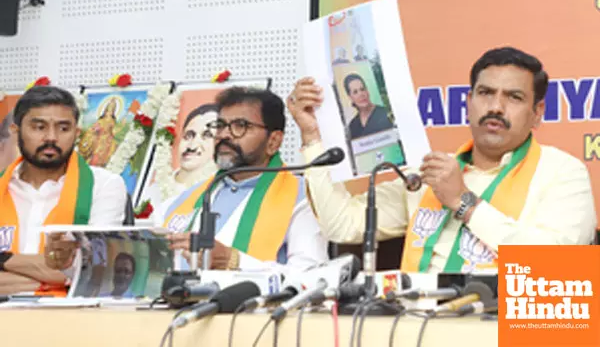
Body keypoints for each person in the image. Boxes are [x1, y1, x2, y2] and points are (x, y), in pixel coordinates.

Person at [287, 47, 597, 274]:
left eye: (514, 97)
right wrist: (313, 137)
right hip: (414, 325)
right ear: (468, 103)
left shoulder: (561, 172)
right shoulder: (431, 173)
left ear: (538, 112)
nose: (496, 107)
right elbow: (341, 224)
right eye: (485, 93)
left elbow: (557, 267)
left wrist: (464, 202)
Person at [155, 87, 328, 273]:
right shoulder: (186, 198)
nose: (224, 135)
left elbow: (310, 275)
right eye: (220, 125)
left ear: (274, 141)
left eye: (240, 126)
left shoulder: (303, 198)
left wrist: (233, 260)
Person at [0, 86, 127, 295]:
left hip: (69, 318)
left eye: (63, 128)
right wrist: (54, 280)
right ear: (16, 131)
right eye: (39, 127)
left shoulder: (104, 185)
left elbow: (94, 270)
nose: (51, 137)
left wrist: (4, 259)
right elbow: (69, 273)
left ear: (77, 133)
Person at [142, 104, 218, 206]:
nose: (192, 145)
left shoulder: (218, 191)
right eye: (188, 135)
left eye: (207, 135)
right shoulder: (154, 191)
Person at [343, 73, 394, 139]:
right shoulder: (352, 126)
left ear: (367, 91)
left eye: (362, 89)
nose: (361, 94)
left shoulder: (384, 113)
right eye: (355, 92)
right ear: (350, 97)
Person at [77, 97, 120, 167]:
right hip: (98, 139)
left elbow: (113, 131)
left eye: (112, 107)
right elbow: (94, 128)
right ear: (106, 108)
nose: (110, 109)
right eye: (109, 107)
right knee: (95, 156)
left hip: (107, 141)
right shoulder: (101, 119)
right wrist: (96, 130)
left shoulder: (113, 121)